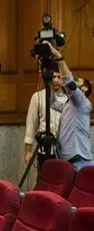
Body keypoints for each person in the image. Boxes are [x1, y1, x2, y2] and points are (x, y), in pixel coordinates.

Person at [45, 41, 94, 171]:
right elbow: (53, 103)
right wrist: (47, 79)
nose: (73, 81)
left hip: (80, 162)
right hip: (70, 161)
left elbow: (69, 83)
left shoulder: (82, 103)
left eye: (77, 80)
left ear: (84, 89)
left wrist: (59, 57)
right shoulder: (70, 104)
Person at [23, 65, 67, 168]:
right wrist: (28, 150)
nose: (56, 80)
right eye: (53, 77)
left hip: (64, 149)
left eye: (59, 77)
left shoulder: (69, 98)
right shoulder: (37, 97)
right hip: (44, 147)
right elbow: (31, 124)